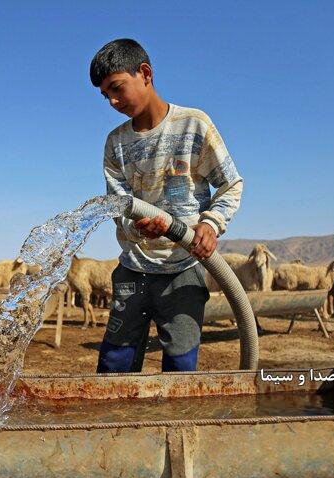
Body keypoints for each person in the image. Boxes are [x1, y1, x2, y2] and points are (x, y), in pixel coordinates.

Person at [90, 39, 243, 373]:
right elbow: (119, 206)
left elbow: (231, 184)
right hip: (133, 268)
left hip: (183, 270)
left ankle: (175, 428)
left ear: (144, 73)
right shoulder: (116, 143)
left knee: (180, 367)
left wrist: (210, 224)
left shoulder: (194, 125)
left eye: (117, 89)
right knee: (115, 366)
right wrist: (137, 226)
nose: (113, 101)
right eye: (106, 96)